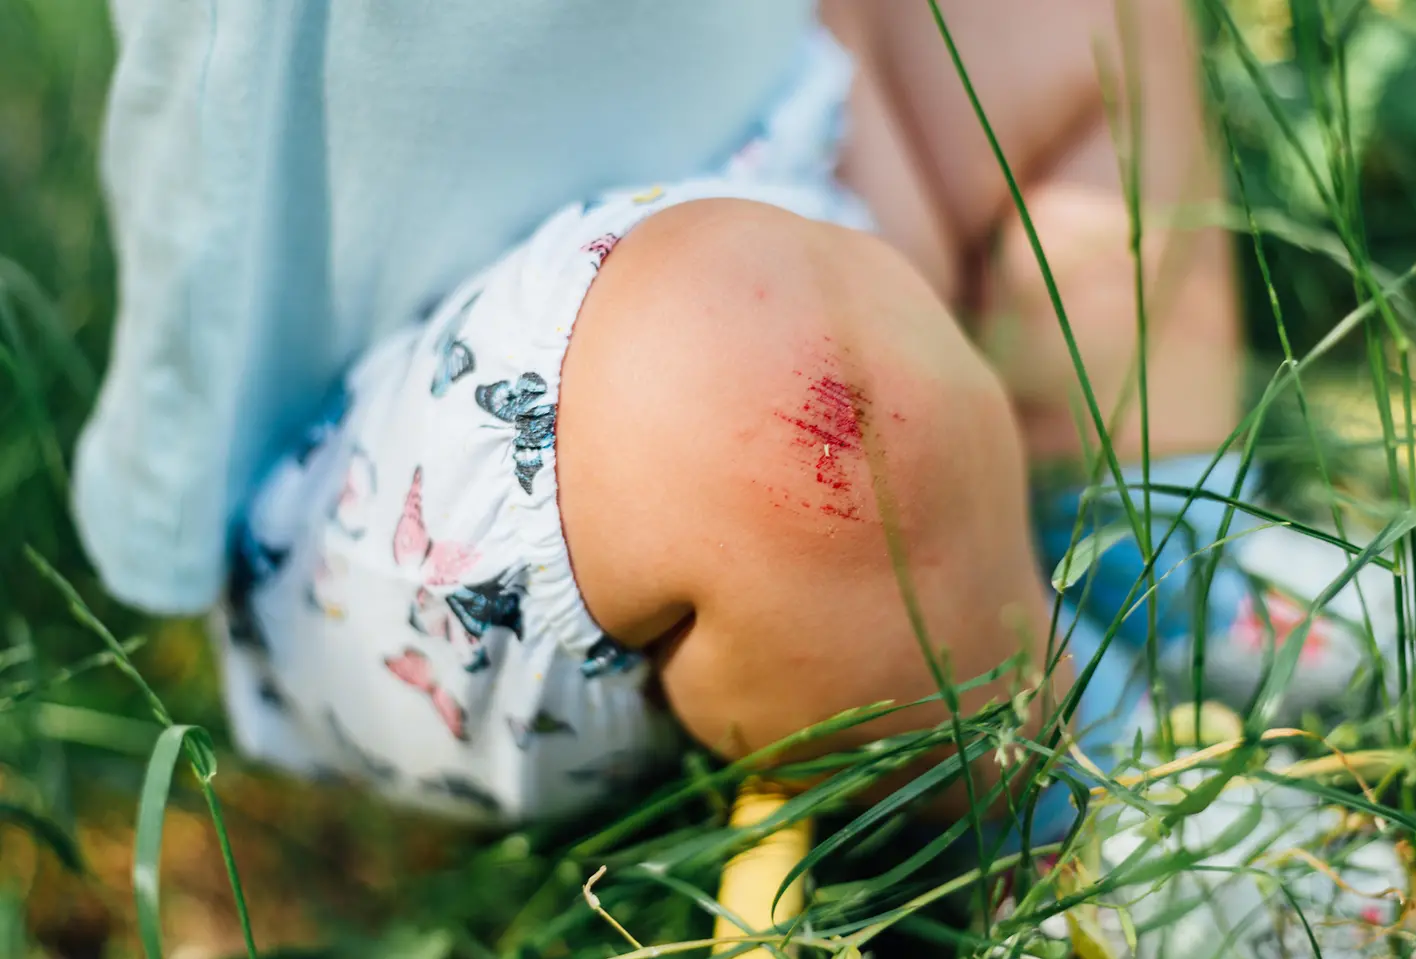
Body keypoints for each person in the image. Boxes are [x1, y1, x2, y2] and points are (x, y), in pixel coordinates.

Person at [78, 0, 1257, 831]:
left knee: (1075, 24)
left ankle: (1154, 553)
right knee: (801, 394)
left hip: (790, 148)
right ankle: (1096, 793)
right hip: (415, 481)